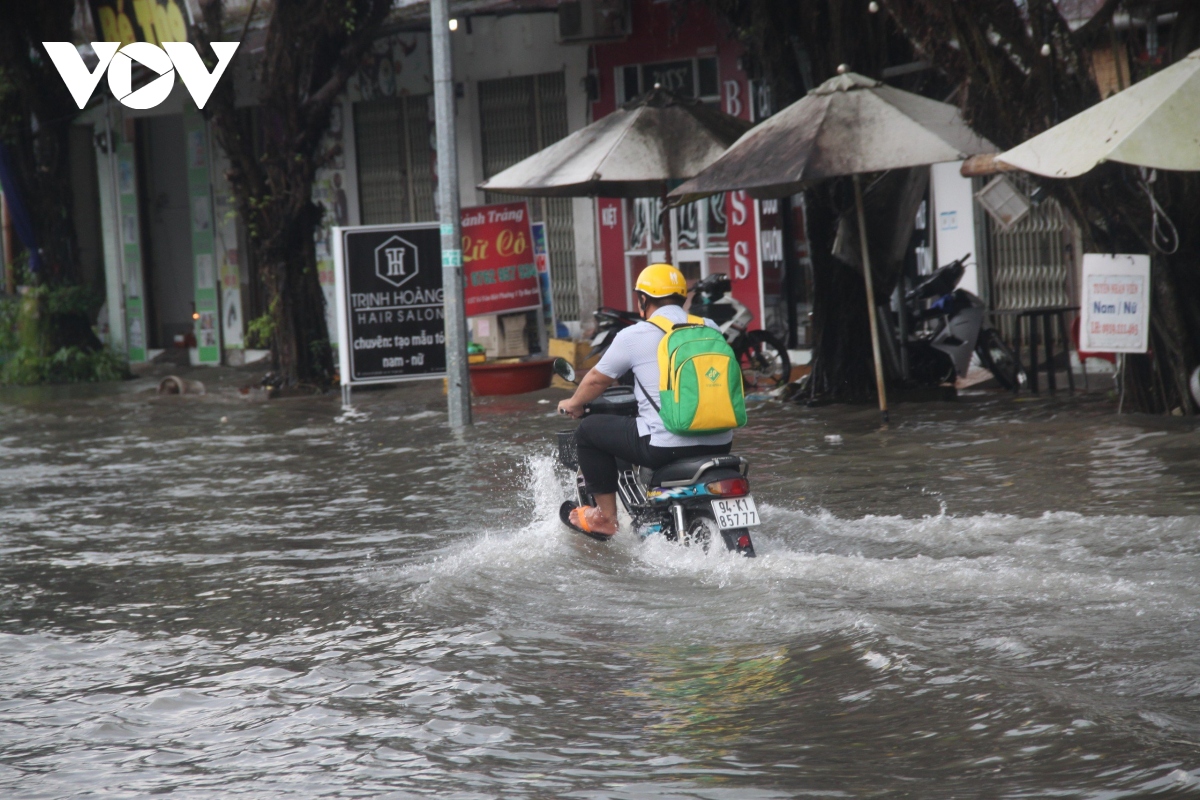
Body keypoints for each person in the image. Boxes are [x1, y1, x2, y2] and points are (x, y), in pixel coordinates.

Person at [557, 263, 734, 536]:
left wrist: (574, 403)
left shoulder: (633, 335)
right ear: (682, 296)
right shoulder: (710, 327)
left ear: (643, 299)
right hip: (722, 440)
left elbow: (596, 380)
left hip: (666, 445)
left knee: (589, 431)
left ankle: (604, 518)